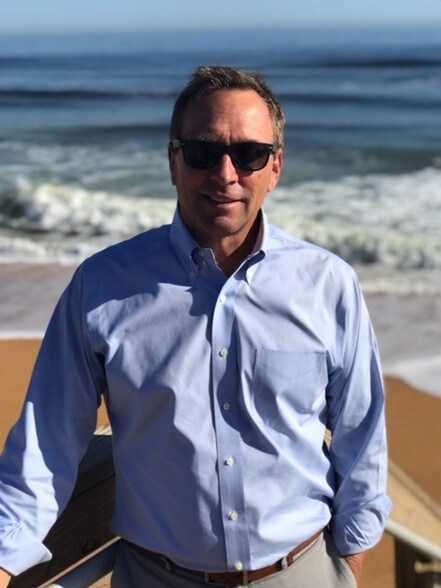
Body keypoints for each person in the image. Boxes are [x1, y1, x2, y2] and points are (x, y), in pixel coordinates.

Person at [0, 66, 391, 587]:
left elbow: (362, 436)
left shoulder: (328, 284)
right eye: (204, 152)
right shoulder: (102, 286)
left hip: (301, 572)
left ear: (275, 167)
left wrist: (348, 566)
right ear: (173, 161)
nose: (226, 174)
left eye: (249, 154)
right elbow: (46, 441)